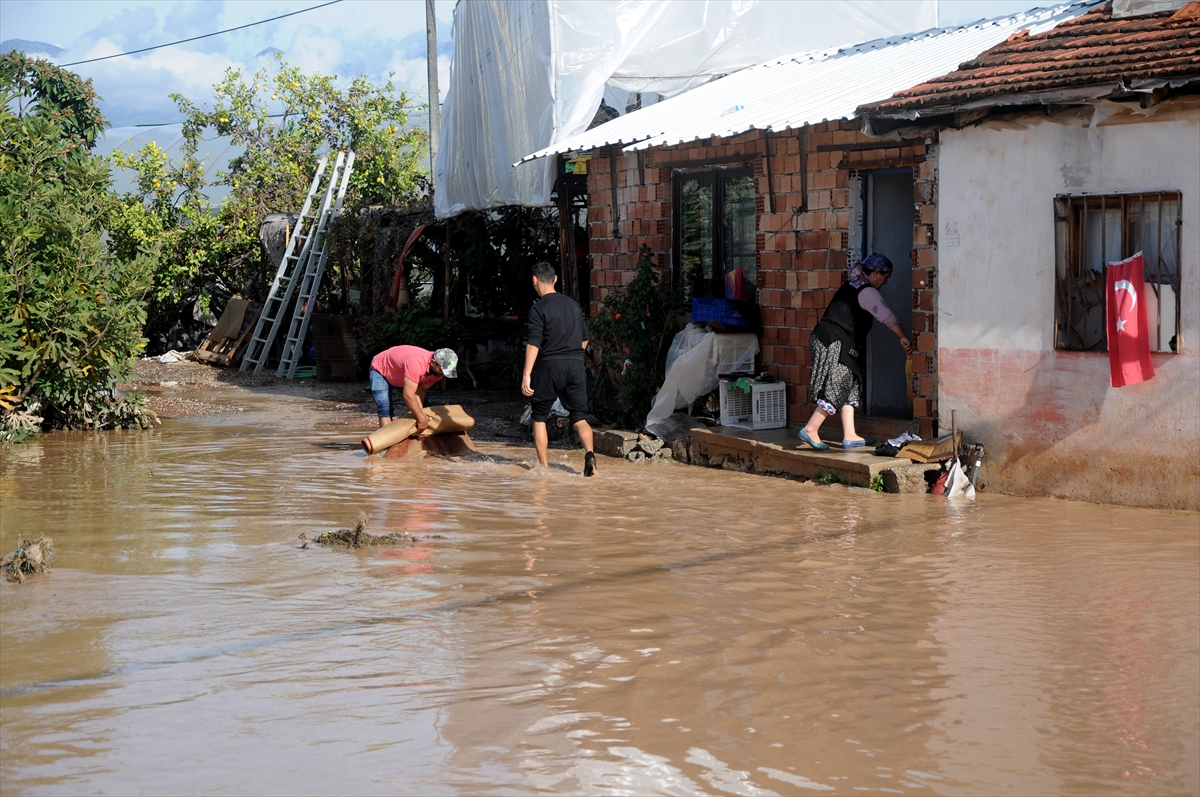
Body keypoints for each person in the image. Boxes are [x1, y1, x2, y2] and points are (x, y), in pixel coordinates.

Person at [799, 253, 912, 450]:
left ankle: (850, 435)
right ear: (876, 273)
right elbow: (887, 316)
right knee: (838, 385)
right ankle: (811, 428)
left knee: (851, 385)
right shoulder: (866, 291)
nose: (885, 283)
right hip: (834, 342)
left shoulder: (853, 285)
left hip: (835, 341)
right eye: (885, 277)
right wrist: (902, 336)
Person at [521, 261, 597, 476]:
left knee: (539, 417)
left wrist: (527, 374)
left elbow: (534, 342)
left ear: (534, 280)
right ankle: (590, 455)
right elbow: (585, 338)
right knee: (579, 417)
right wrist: (575, 356)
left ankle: (543, 467)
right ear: (555, 279)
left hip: (549, 366)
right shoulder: (572, 305)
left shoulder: (538, 309)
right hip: (575, 365)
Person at [369, 345, 458, 432]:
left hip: (402, 374)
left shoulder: (438, 373)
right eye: (442, 370)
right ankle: (387, 442)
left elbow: (419, 392)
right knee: (385, 409)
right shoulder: (417, 363)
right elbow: (408, 396)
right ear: (433, 362)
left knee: (423, 410)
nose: (443, 374)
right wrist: (421, 417)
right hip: (381, 370)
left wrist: (421, 416)